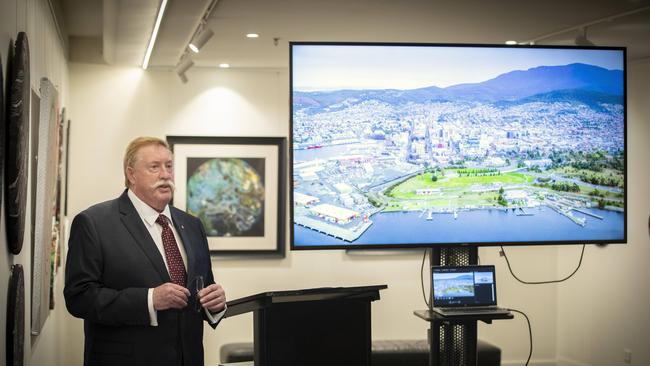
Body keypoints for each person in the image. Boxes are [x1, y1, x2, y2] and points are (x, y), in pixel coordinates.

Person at [64, 137, 227, 366]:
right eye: (154, 167)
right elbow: (79, 298)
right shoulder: (94, 223)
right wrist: (149, 299)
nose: (165, 174)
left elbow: (203, 289)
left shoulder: (192, 225)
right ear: (131, 175)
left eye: (169, 166)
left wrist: (215, 305)